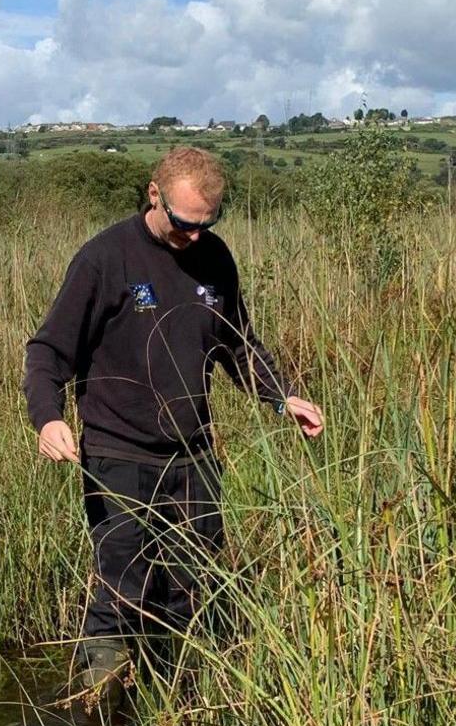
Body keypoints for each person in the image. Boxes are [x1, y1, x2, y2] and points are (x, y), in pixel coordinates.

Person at [24, 146, 323, 697]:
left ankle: (187, 707)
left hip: (194, 454)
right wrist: (47, 418)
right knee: (122, 587)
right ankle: (105, 716)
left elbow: (237, 345)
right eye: (186, 224)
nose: (195, 236)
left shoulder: (215, 257)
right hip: (120, 453)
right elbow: (48, 351)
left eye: (208, 224)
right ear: (154, 195)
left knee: (197, 584)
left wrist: (282, 398)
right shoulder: (104, 258)